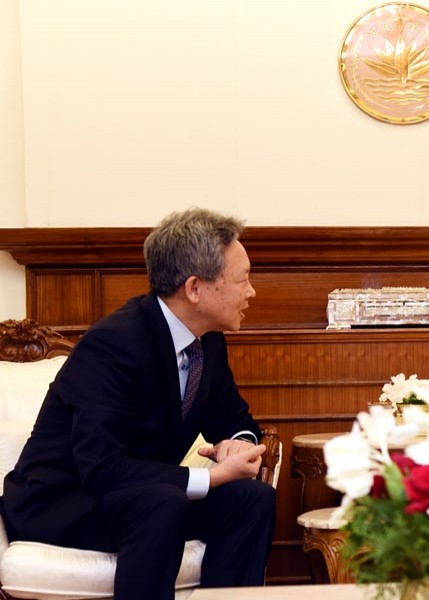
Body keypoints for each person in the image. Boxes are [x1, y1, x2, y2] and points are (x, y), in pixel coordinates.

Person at [1, 208, 276, 600]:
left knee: (252, 499)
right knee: (162, 503)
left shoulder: (207, 341)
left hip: (143, 498)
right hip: (63, 502)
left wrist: (239, 443)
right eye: (243, 279)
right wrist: (211, 478)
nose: (252, 292)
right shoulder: (112, 345)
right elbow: (101, 468)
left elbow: (234, 418)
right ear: (195, 288)